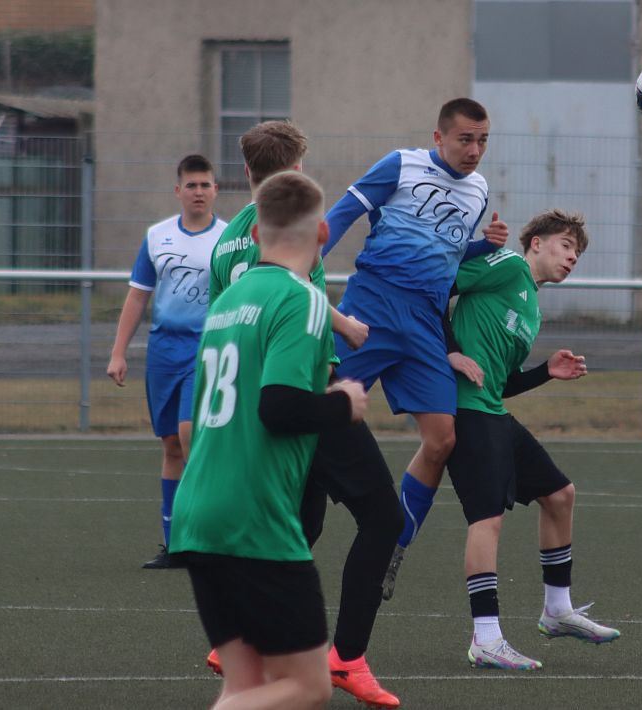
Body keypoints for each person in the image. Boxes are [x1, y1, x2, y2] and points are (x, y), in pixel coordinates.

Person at [204, 120, 402, 708]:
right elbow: (292, 296)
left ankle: (242, 637)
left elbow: (236, 314)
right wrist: (346, 329)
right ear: (296, 172)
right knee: (383, 518)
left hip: (253, 395)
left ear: (246, 171)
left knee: (301, 524)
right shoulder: (293, 230)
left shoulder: (227, 241)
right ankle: (348, 658)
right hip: (303, 388)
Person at [171, 170, 366, 710]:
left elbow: (201, 414)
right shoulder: (303, 299)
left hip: (199, 512)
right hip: (254, 520)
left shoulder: (226, 302)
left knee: (246, 689)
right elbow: (279, 408)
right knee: (309, 686)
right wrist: (344, 403)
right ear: (323, 233)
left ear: (255, 234)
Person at [321, 98, 508, 598]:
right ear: (439, 137)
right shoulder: (401, 164)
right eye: (465, 139)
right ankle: (279, 519)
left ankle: (393, 547)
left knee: (443, 439)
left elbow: (447, 252)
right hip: (373, 305)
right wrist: (300, 267)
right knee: (321, 409)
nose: (475, 150)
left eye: (483, 140)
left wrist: (484, 246)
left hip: (425, 322)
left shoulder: (478, 190)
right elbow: (342, 215)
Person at [442, 210, 621, 670]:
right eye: (566, 245)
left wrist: (546, 372)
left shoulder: (531, 310)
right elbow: (434, 288)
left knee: (560, 495)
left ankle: (557, 611)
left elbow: (500, 384)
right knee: (487, 520)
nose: (572, 257)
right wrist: (451, 352)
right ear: (536, 243)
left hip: (492, 411)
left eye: (577, 253)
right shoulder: (506, 265)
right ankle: (485, 638)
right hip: (465, 412)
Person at [106, 154, 227, 569]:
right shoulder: (158, 237)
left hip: (207, 349)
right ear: (178, 191)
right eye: (191, 185)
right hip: (163, 352)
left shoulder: (229, 239)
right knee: (171, 445)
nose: (198, 192)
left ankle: (205, 537)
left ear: (216, 190)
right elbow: (138, 295)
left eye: (205, 185)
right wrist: (118, 352)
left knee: (191, 435)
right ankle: (174, 543)